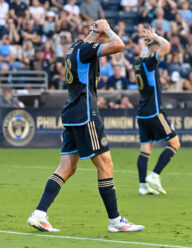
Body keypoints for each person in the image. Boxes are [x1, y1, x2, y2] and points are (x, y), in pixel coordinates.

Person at [27, 19, 144, 233]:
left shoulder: (74, 46)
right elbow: (119, 45)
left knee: (67, 168)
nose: (108, 39)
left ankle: (39, 214)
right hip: (85, 113)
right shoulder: (88, 48)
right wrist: (107, 28)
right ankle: (115, 220)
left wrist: (102, 31)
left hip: (72, 112)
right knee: (105, 164)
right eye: (106, 36)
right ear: (100, 36)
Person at [135, 27, 180, 196]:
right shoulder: (149, 62)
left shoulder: (138, 63)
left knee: (145, 149)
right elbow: (166, 46)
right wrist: (156, 37)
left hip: (142, 112)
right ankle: (154, 176)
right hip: (154, 111)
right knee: (175, 144)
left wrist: (151, 40)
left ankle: (142, 186)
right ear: (155, 49)